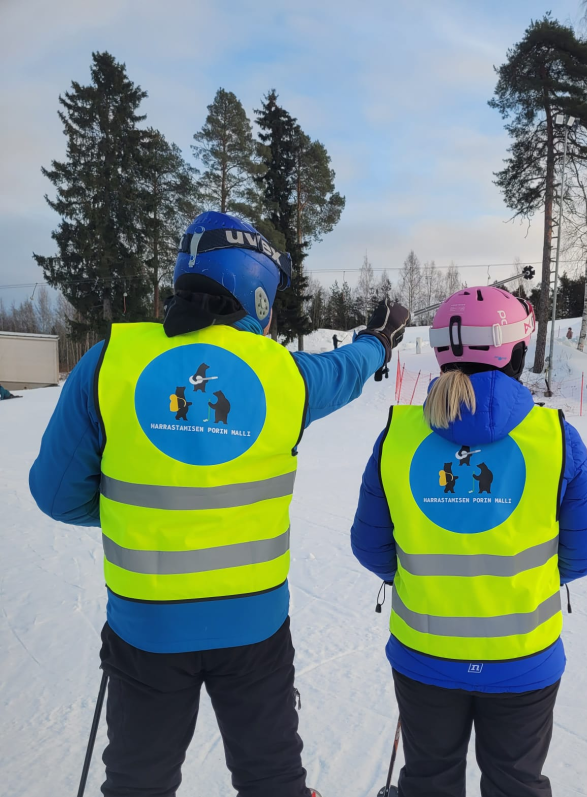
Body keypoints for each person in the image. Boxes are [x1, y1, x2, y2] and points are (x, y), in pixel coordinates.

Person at [29, 210, 409, 797]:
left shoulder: (111, 360)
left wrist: (139, 512)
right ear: (256, 290)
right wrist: (377, 339)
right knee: (272, 780)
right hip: (254, 631)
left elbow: (55, 495)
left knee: (138, 783)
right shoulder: (286, 375)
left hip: (146, 629)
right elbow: (347, 368)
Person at [351, 286, 587, 797]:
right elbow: (585, 549)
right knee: (516, 784)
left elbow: (370, 543)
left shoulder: (398, 436)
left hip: (425, 657)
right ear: (515, 350)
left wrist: (414, 575)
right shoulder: (555, 436)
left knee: (429, 782)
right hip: (524, 659)